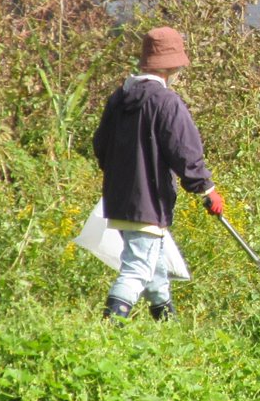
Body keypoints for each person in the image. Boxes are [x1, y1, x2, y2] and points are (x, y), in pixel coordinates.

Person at [91, 26, 223, 321]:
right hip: (148, 202)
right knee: (138, 268)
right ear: (173, 66)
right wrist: (206, 189)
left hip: (119, 198)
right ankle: (107, 329)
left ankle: (167, 327)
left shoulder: (119, 98)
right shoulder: (166, 102)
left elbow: (100, 145)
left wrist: (120, 176)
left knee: (156, 265)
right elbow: (185, 152)